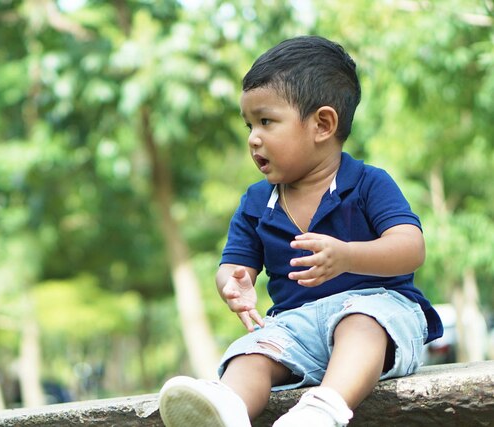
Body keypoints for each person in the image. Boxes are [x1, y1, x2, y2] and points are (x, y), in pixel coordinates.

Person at [157, 35, 443, 427]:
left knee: (360, 320)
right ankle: (225, 407)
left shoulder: (368, 183)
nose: (253, 138)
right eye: (249, 125)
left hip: (381, 313)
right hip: (296, 326)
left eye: (266, 121)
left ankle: (321, 411)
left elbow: (411, 248)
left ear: (322, 124)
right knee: (252, 351)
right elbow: (235, 265)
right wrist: (232, 282)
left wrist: (348, 255)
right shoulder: (257, 203)